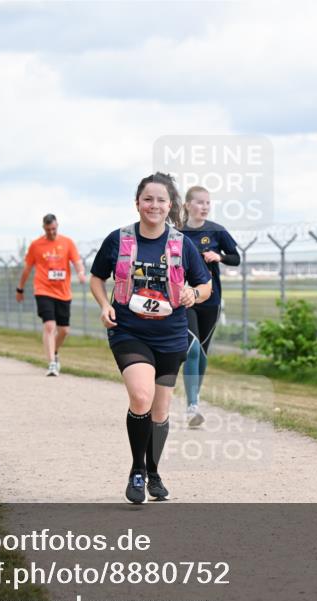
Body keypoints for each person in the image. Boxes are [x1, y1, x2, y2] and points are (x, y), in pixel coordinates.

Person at [89, 172, 212, 504]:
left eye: (160, 200)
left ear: (170, 205)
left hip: (170, 336)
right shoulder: (119, 239)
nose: (153, 205)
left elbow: (204, 285)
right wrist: (104, 305)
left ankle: (154, 471)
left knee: (160, 411)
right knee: (140, 398)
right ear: (137, 203)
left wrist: (192, 294)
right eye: (148, 199)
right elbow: (97, 277)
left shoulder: (181, 243)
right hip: (128, 331)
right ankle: (137, 471)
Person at [177, 186, 240, 427]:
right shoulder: (176, 233)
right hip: (186, 299)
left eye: (208, 203)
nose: (204, 207)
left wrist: (219, 257)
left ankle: (195, 397)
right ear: (187, 205)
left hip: (211, 300)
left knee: (202, 352)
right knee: (191, 348)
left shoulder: (217, 231)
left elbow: (236, 258)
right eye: (200, 202)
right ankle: (192, 406)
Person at [16, 213, 86, 376]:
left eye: (54, 229)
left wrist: (81, 273)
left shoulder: (67, 243)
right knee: (49, 326)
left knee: (64, 330)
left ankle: (54, 352)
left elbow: (76, 261)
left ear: (57, 226)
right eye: (48, 230)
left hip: (63, 292)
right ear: (44, 228)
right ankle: (52, 364)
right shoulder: (36, 245)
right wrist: (20, 289)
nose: (52, 232)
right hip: (43, 289)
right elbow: (27, 269)